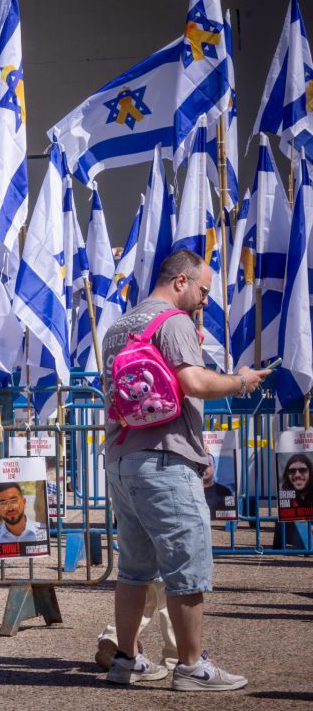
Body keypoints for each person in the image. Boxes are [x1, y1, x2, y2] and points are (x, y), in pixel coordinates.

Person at [100, 251, 269, 690]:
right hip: (164, 459)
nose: (205, 301)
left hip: (121, 458)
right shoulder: (173, 322)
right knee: (186, 567)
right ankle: (192, 667)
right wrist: (240, 381)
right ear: (181, 281)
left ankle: (126, 661)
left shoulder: (118, 327)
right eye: (203, 290)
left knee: (134, 569)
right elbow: (193, 382)